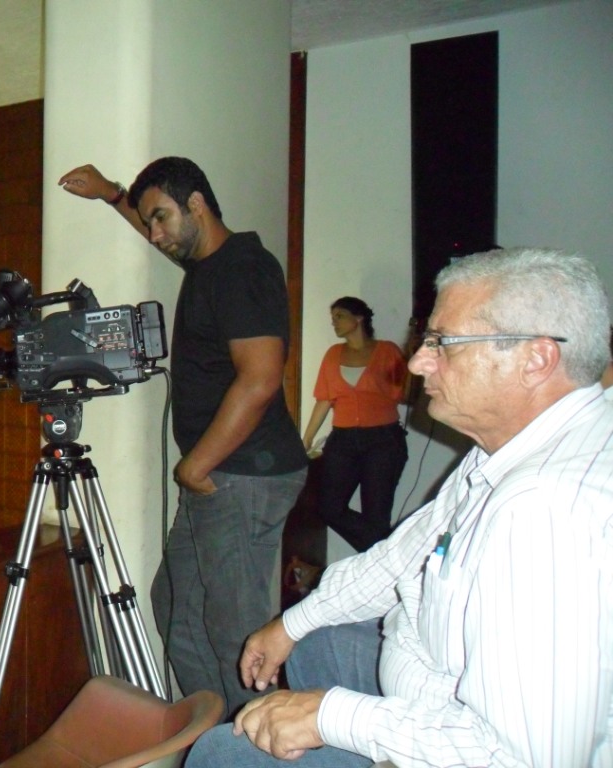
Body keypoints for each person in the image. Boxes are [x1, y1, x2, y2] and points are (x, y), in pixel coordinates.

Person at [185, 248, 613, 767]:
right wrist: (290, 624)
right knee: (317, 641)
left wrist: (330, 716)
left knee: (222, 753)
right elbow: (403, 557)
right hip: (431, 682)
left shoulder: (549, 511)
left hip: (465, 739)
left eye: (442, 343)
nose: (416, 362)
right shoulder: (505, 449)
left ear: (536, 359)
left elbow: (524, 758)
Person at [59, 158, 308, 717]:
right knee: (174, 605)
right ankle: (220, 731)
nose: (155, 235)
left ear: (197, 204)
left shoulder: (242, 269)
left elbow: (261, 378)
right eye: (150, 221)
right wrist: (110, 194)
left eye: (161, 218)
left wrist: (194, 467)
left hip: (241, 475)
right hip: (222, 474)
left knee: (236, 633)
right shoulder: (208, 264)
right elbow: (158, 228)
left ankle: (263, 743)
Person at [301, 297, 408, 552]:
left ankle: (381, 555)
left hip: (383, 440)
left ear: (358, 318)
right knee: (329, 508)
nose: (334, 322)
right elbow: (324, 399)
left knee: (377, 515)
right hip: (343, 441)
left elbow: (404, 393)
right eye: (332, 318)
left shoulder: (387, 351)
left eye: (339, 316)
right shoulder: (333, 354)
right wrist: (306, 439)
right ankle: (390, 550)